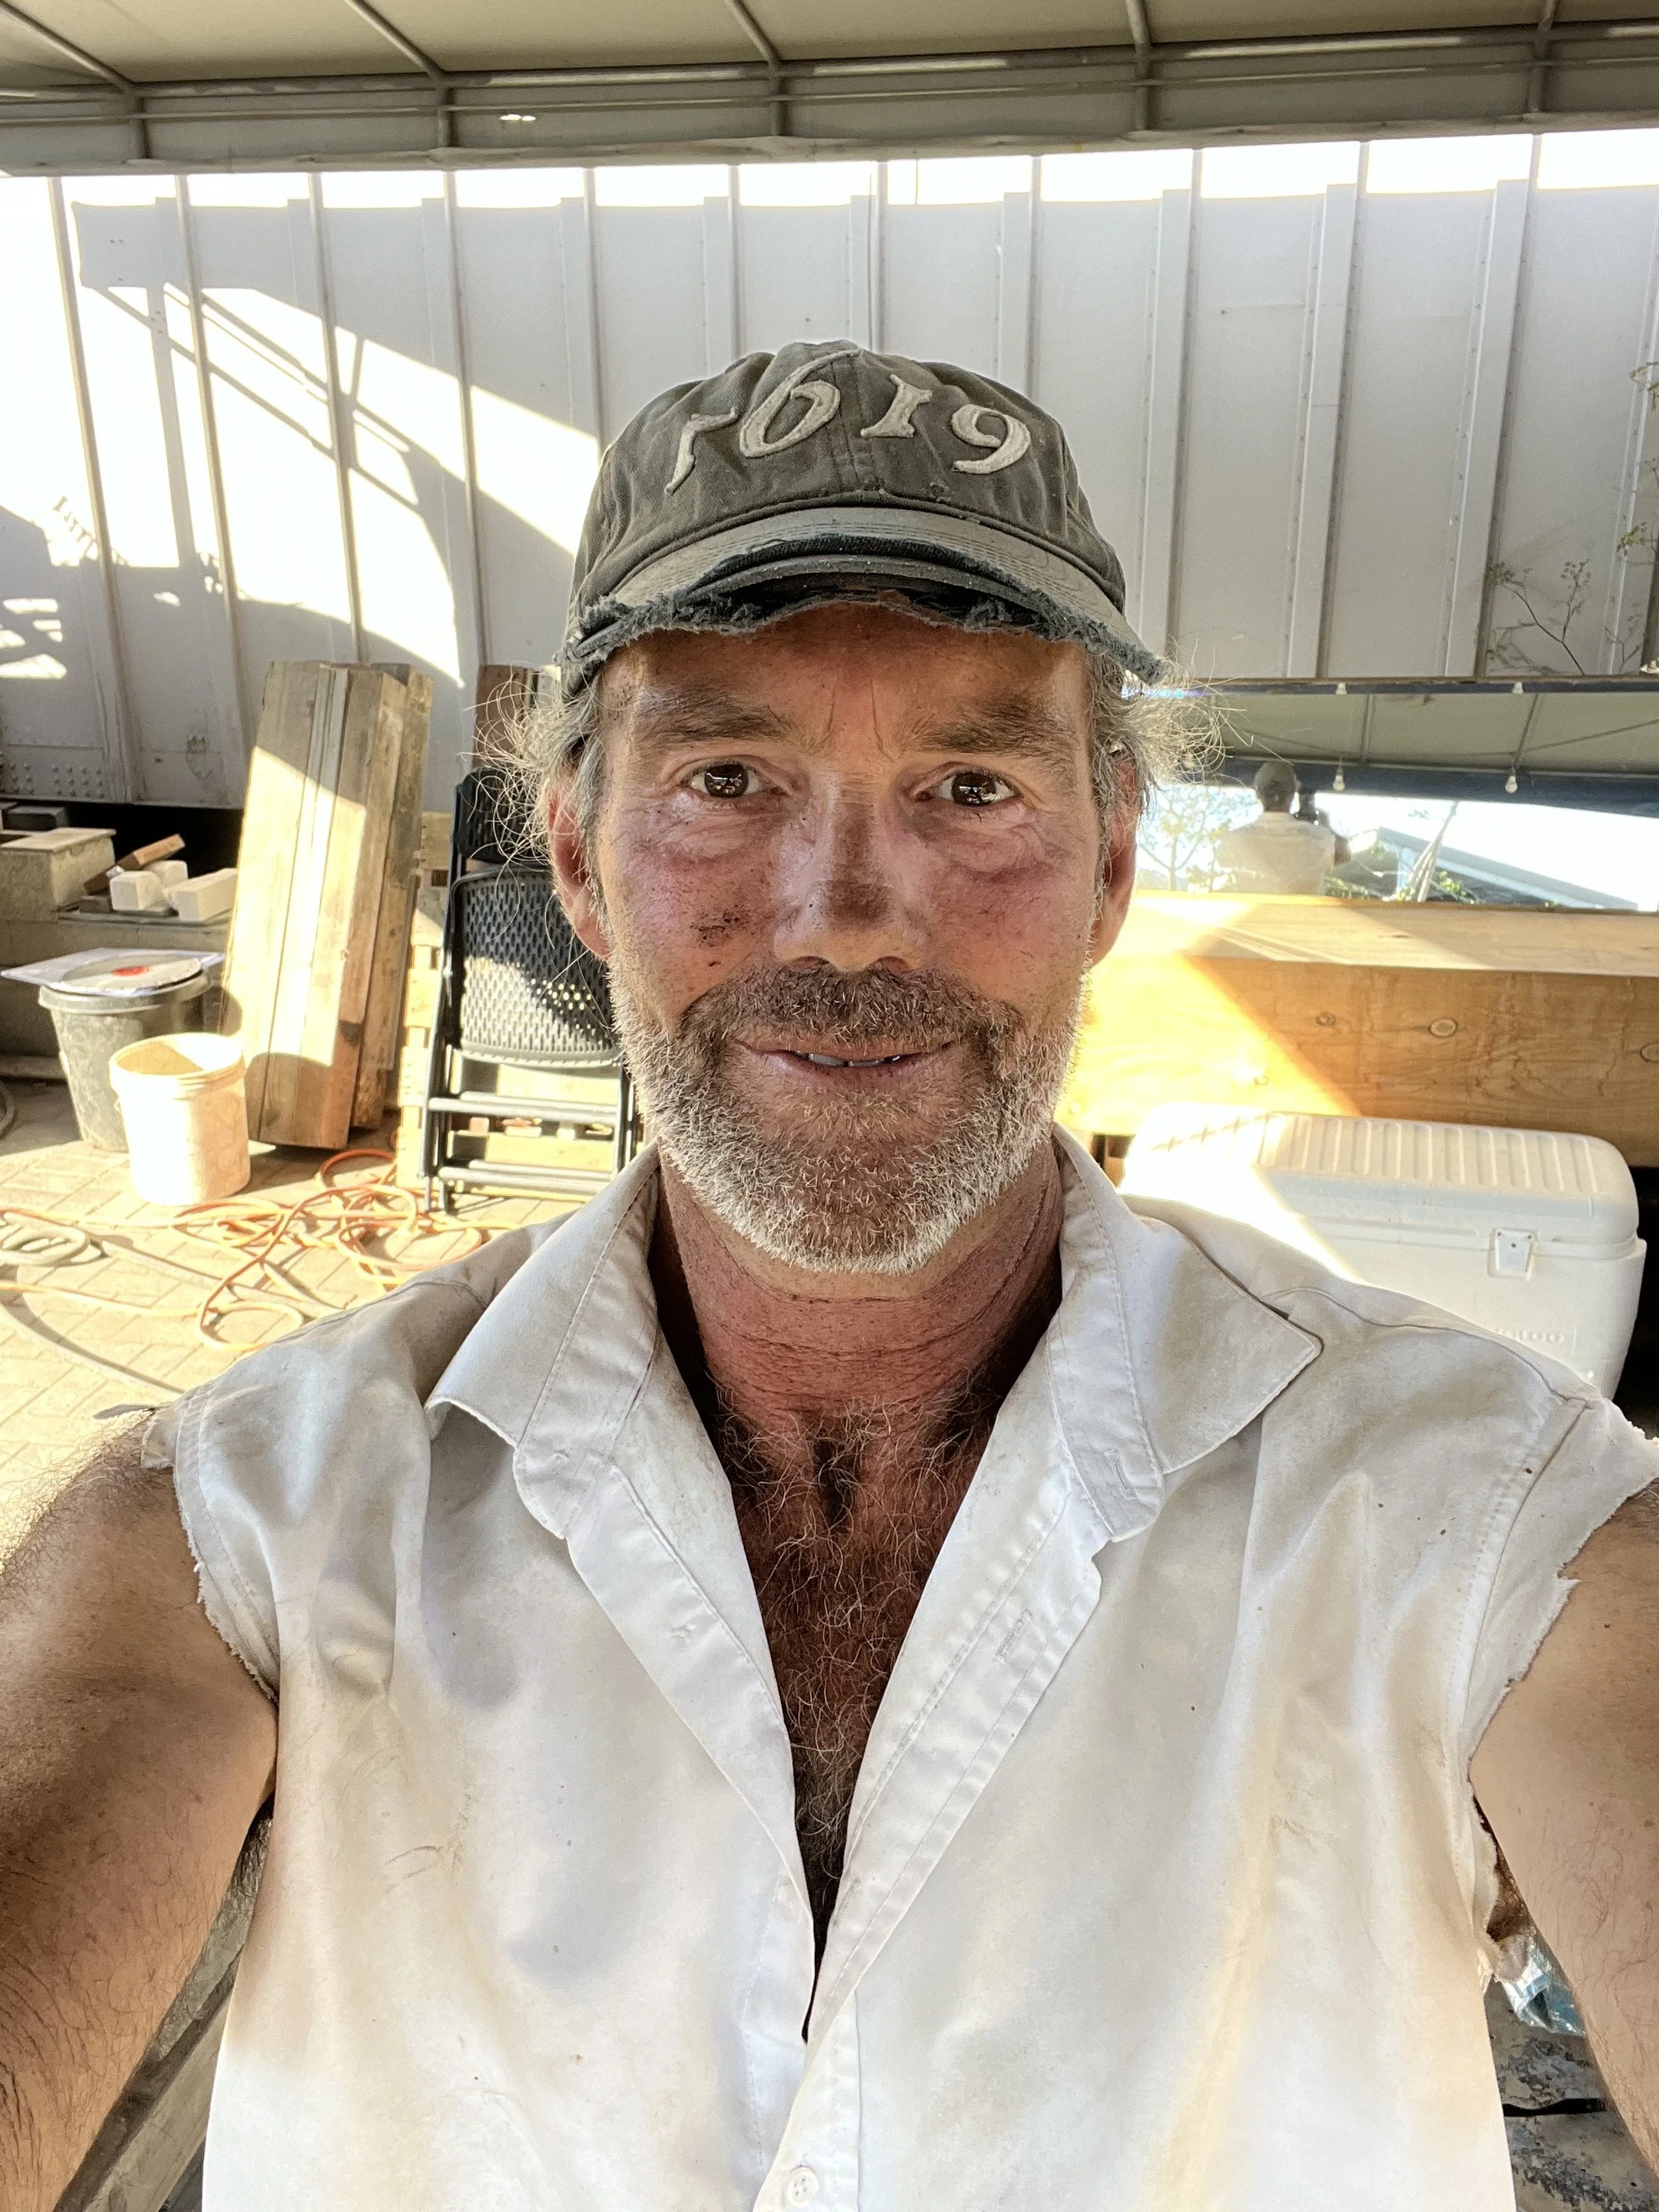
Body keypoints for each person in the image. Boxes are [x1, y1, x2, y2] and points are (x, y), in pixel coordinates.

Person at [1, 341, 1655, 2212]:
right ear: (575, 855)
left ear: (1113, 858)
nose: (843, 914)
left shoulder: (1487, 1518)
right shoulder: (241, 1527)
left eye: (967, 782)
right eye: (725, 774)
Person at [1214, 757, 1340, 892]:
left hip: (1256, 914)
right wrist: (1325, 827)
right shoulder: (1320, 838)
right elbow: (1344, 854)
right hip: (1304, 914)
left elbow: (1221, 861)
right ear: (1292, 794)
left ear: (1258, 794)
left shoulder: (1234, 841)